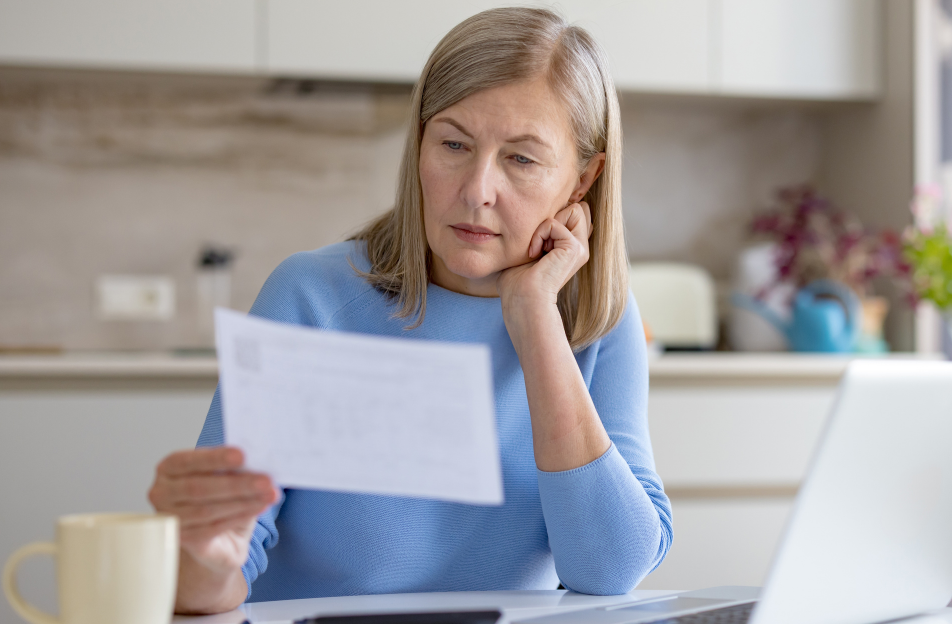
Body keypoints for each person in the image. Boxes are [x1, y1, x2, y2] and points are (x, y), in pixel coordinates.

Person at [147, 7, 672, 614]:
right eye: (454, 144)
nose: (476, 190)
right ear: (419, 145)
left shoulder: (597, 319)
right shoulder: (311, 298)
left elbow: (610, 570)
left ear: (583, 180)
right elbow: (214, 575)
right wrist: (200, 557)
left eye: (521, 159)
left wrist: (536, 321)